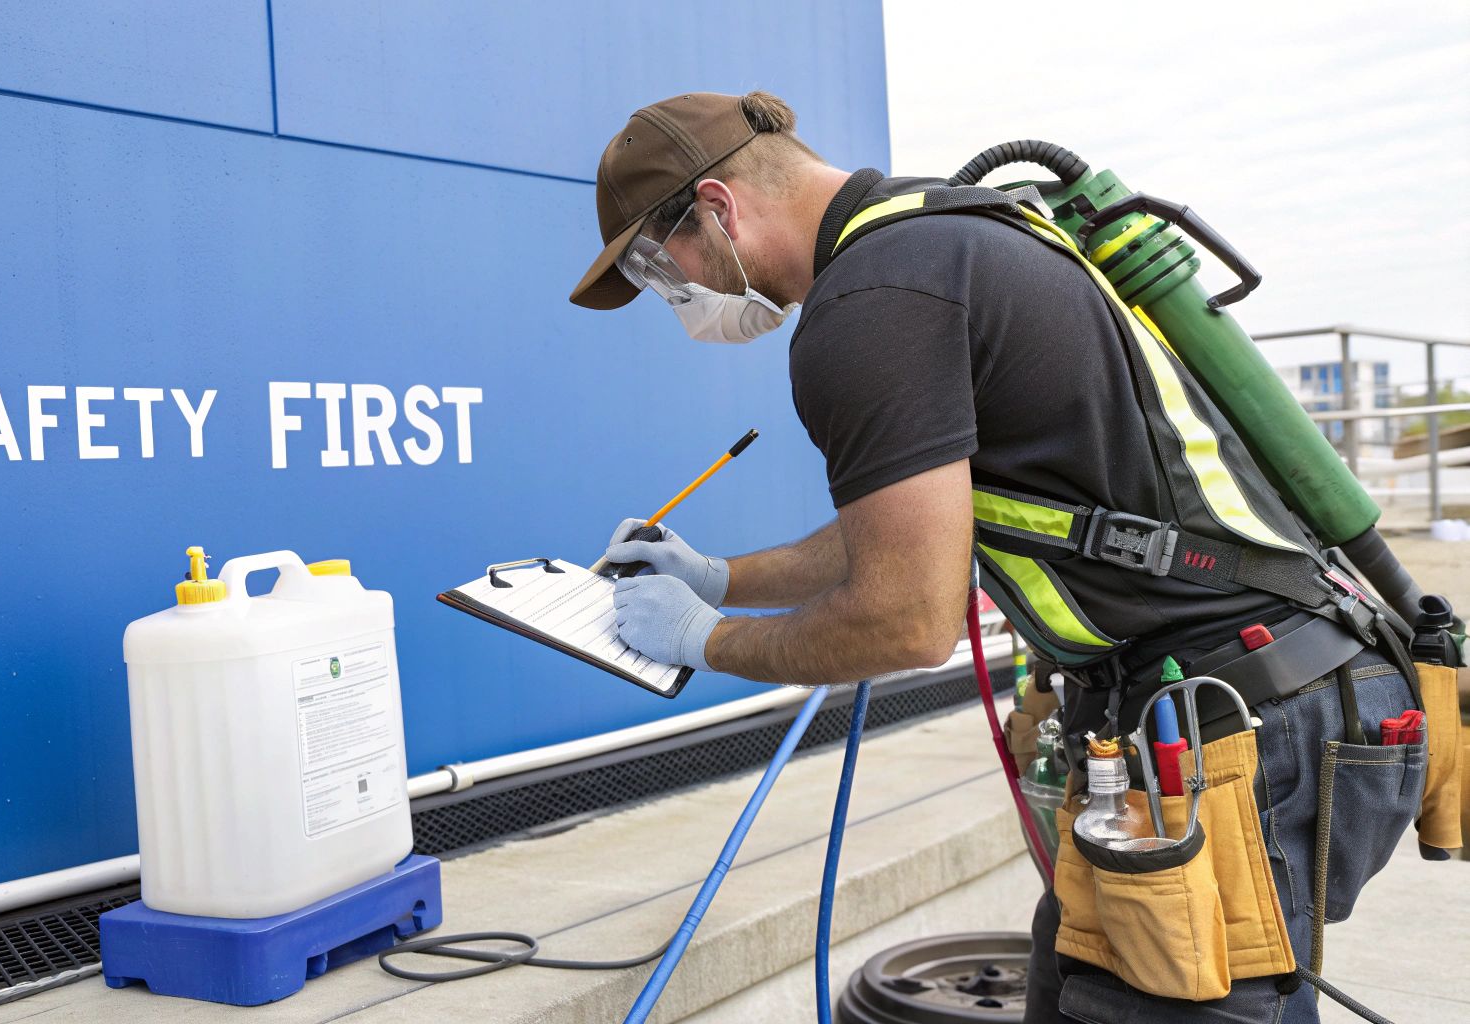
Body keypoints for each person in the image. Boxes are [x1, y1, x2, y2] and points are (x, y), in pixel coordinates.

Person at [569, 90, 1424, 1023]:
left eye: (660, 265)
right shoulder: (947, 234)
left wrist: (710, 639)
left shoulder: (871, 304)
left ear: (717, 208)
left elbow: (907, 616)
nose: (671, 296)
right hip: (1264, 700)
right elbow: (917, 529)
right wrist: (720, 577)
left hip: (1241, 727)